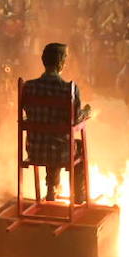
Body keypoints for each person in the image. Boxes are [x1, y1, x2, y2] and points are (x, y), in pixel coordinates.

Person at [20, 42, 88, 202]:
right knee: (75, 145)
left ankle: (52, 188)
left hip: (35, 150)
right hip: (60, 152)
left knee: (51, 139)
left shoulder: (28, 87)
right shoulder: (68, 88)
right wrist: (87, 112)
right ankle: (79, 196)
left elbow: (26, 113)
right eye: (65, 57)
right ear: (60, 62)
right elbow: (76, 119)